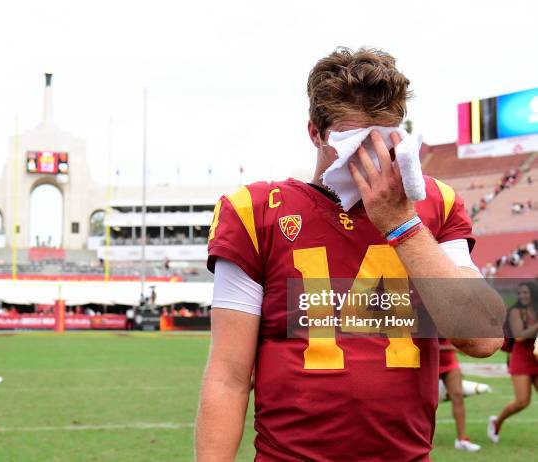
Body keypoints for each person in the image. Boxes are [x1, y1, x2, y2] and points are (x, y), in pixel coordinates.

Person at [195, 47, 504, 461]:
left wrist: (404, 226)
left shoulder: (436, 203)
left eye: (386, 138)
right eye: (354, 139)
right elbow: (228, 377)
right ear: (315, 133)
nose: (370, 155)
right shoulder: (255, 212)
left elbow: (483, 337)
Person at [488, 282, 538, 443]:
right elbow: (519, 336)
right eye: (520, 293)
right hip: (521, 359)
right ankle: (497, 422)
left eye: (526, 292)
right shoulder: (516, 312)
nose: (523, 296)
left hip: (536, 356)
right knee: (522, 401)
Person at [439, 339, 481, 452]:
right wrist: (455, 348)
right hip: (428, 362)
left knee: (458, 395)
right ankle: (422, 438)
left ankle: (462, 440)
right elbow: (426, 344)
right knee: (427, 401)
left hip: (449, 362)